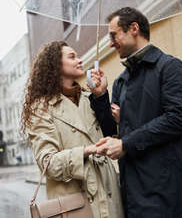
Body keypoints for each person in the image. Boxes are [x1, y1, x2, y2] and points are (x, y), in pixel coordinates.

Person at [88, 7, 182, 218]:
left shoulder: (170, 68)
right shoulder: (121, 81)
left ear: (134, 28)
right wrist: (100, 96)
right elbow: (112, 131)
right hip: (134, 195)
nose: (111, 42)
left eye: (114, 35)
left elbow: (177, 118)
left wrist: (125, 144)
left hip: (168, 195)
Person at [21, 41, 124, 218]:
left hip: (109, 197)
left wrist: (102, 97)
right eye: (72, 57)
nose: (80, 60)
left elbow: (110, 136)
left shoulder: (89, 98)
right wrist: (85, 151)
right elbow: (48, 163)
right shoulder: (41, 108)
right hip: (75, 207)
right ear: (55, 64)